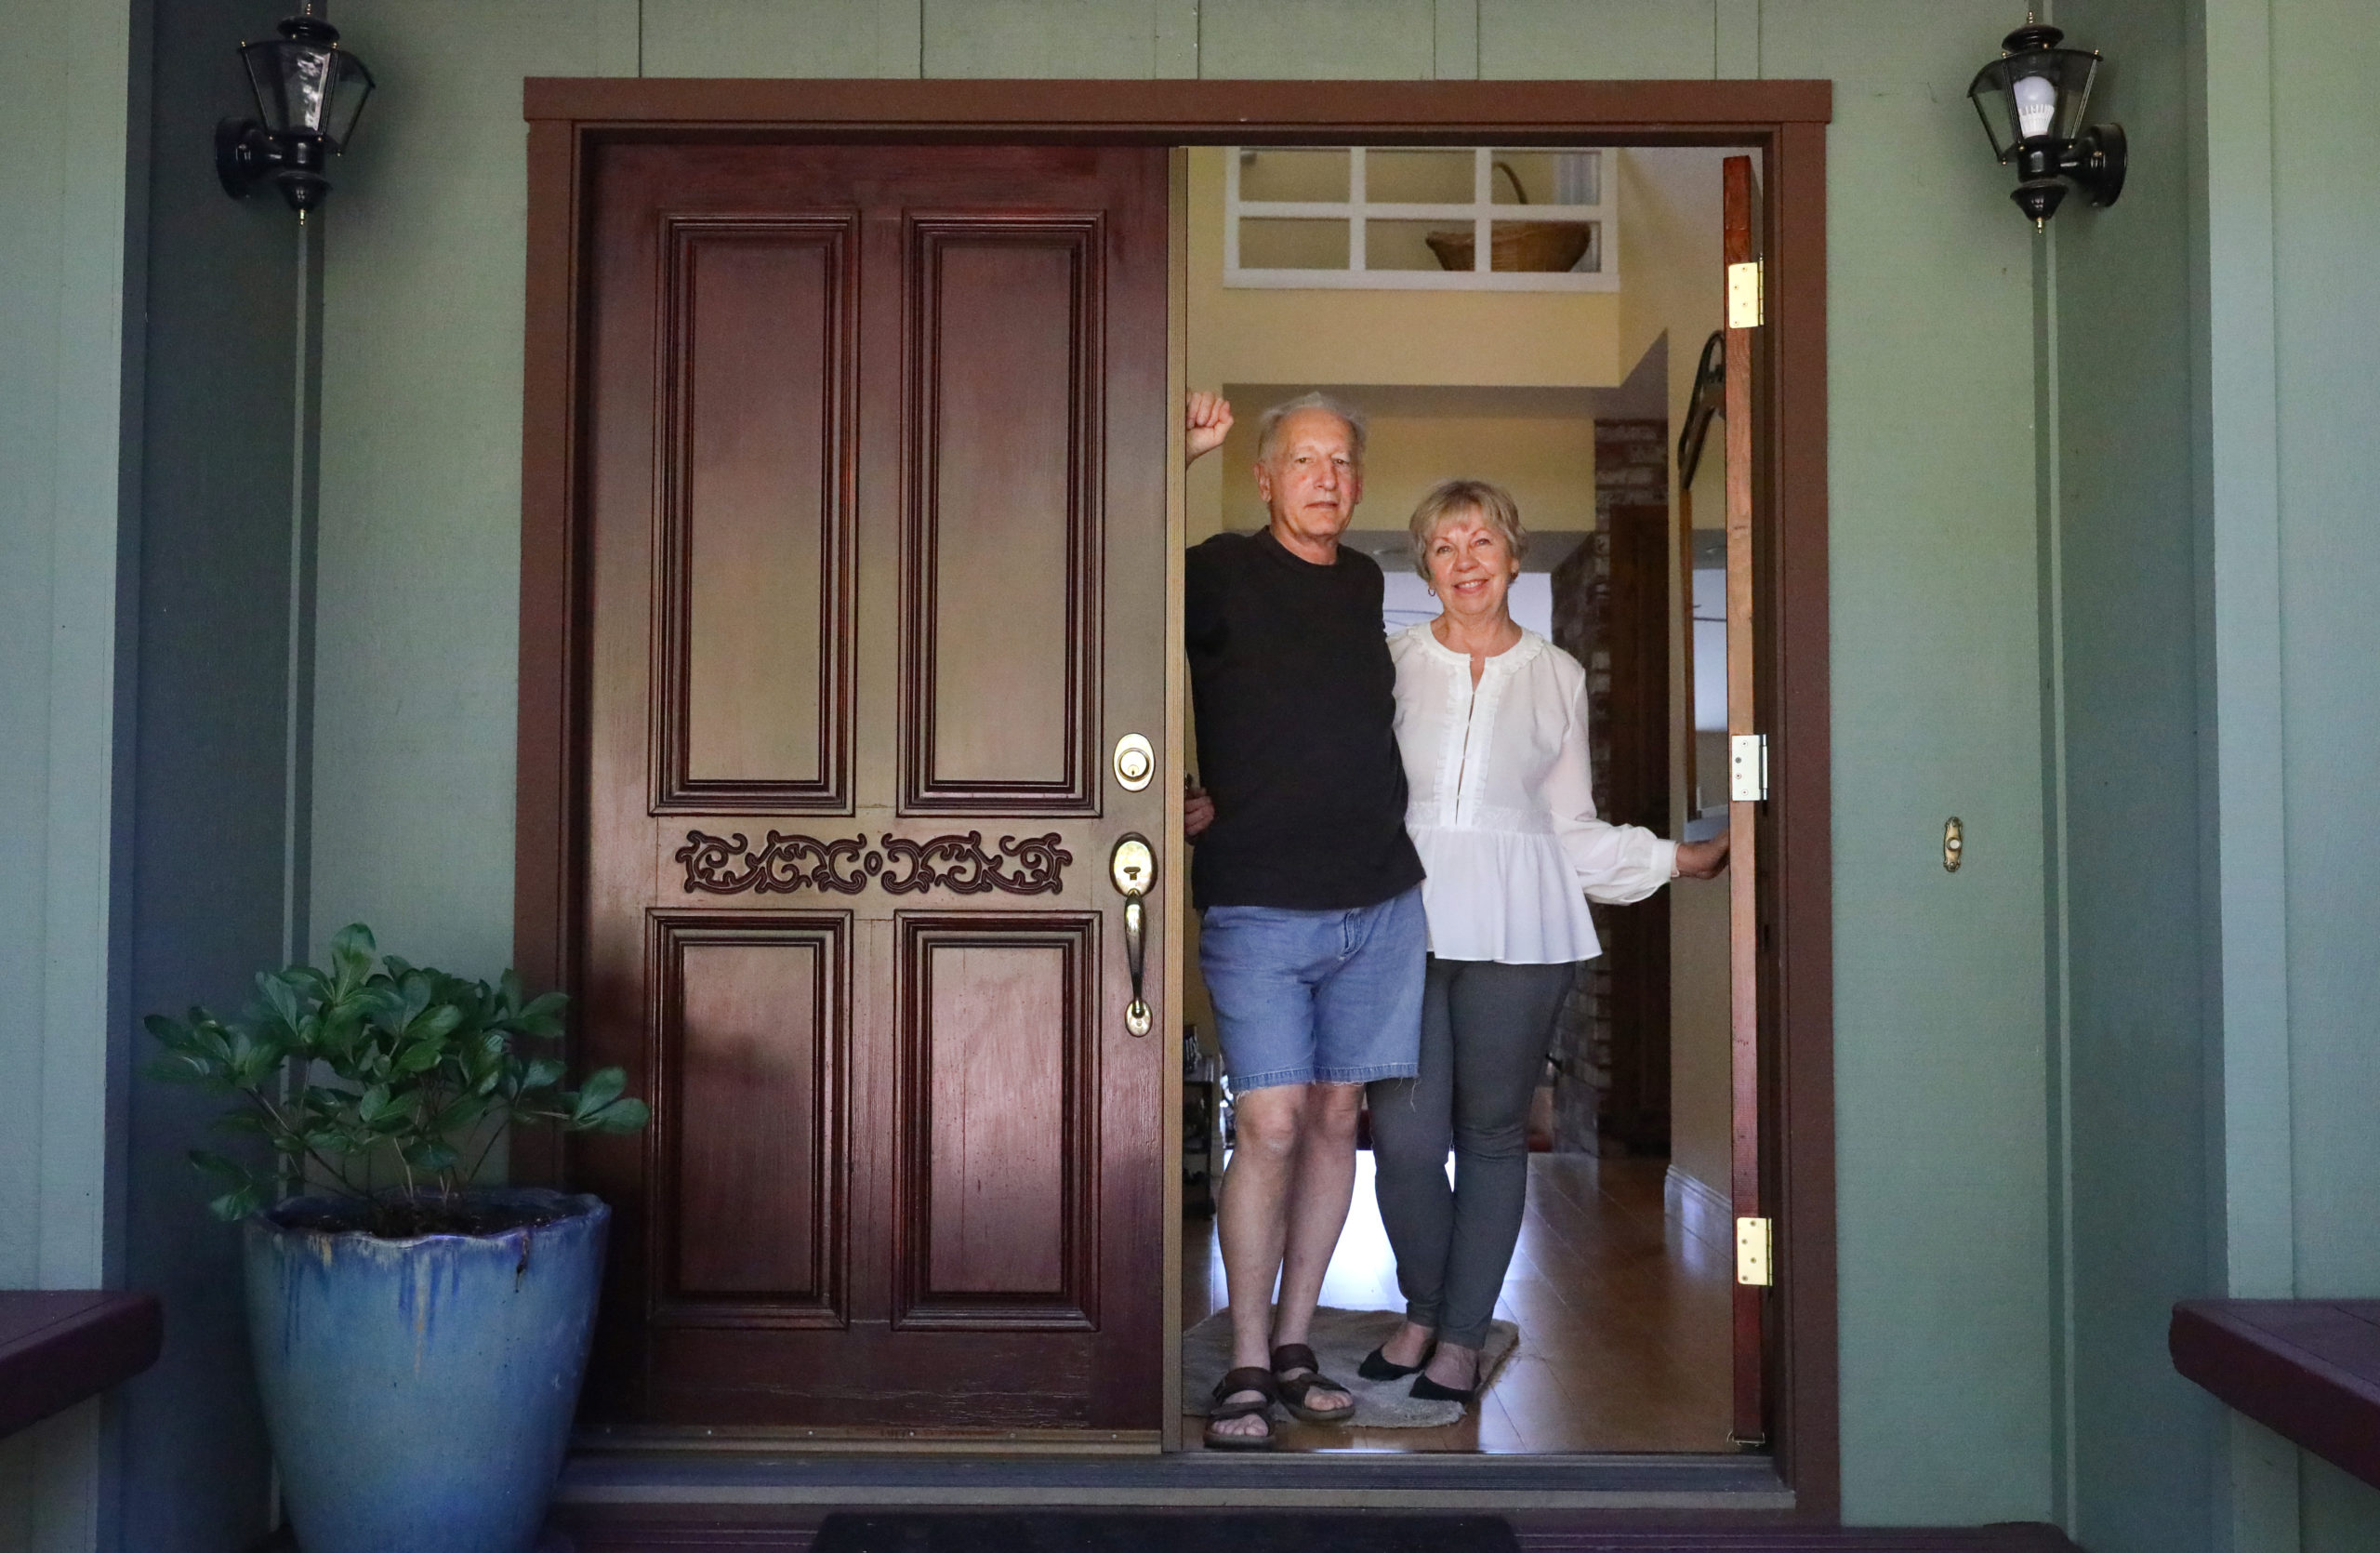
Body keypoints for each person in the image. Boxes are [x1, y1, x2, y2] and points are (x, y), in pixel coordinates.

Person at [1361, 478, 1729, 1404]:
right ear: (1424, 565)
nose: (1465, 560)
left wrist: (1677, 858)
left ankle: (1456, 1336)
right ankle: (1424, 1303)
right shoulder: (1387, 661)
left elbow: (1570, 822)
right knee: (1404, 1138)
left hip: (1521, 925)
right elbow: (1339, 787)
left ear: (1513, 556)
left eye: (1482, 539)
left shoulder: (1559, 673)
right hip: (1399, 919)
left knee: (1490, 1133)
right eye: (1443, 545)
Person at [1180, 391, 1427, 1449]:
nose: (1324, 477)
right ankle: (1241, 1354)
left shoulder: (1366, 580)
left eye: (1340, 462)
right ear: (1264, 478)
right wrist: (1178, 453)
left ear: (1355, 484)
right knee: (1271, 1121)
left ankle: (1292, 1342)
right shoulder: (1218, 569)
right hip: (1257, 899)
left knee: (1336, 1121)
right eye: (1302, 460)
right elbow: (1105, 587)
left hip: (1377, 896)